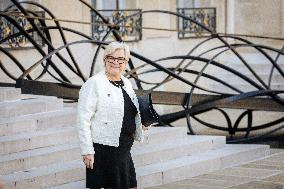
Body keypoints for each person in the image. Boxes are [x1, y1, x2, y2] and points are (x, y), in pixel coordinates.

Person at [77, 41, 147, 189]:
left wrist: (141, 125)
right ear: (105, 60)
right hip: (105, 149)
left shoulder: (126, 83)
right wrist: (87, 151)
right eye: (111, 58)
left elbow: (127, 112)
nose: (116, 62)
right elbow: (83, 119)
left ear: (126, 62)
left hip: (124, 148)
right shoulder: (94, 83)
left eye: (120, 59)